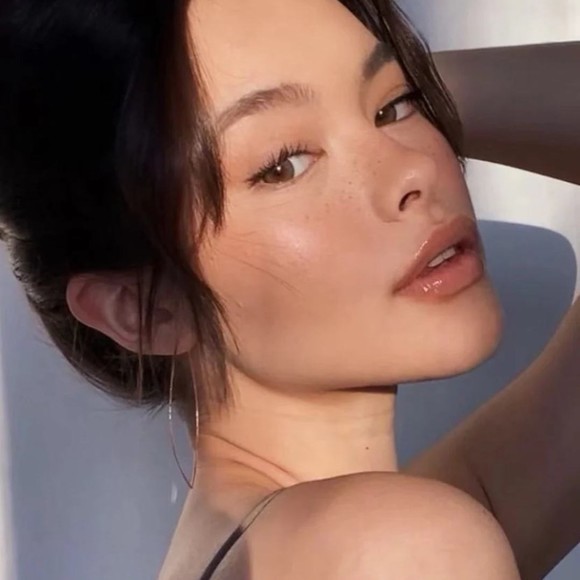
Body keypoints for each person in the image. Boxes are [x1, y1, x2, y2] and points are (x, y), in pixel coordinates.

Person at [0, 0, 579, 578]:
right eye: (284, 165)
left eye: (395, 106)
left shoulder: (309, 547)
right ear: (145, 312)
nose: (415, 170)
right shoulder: (394, 548)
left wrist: (360, 76)